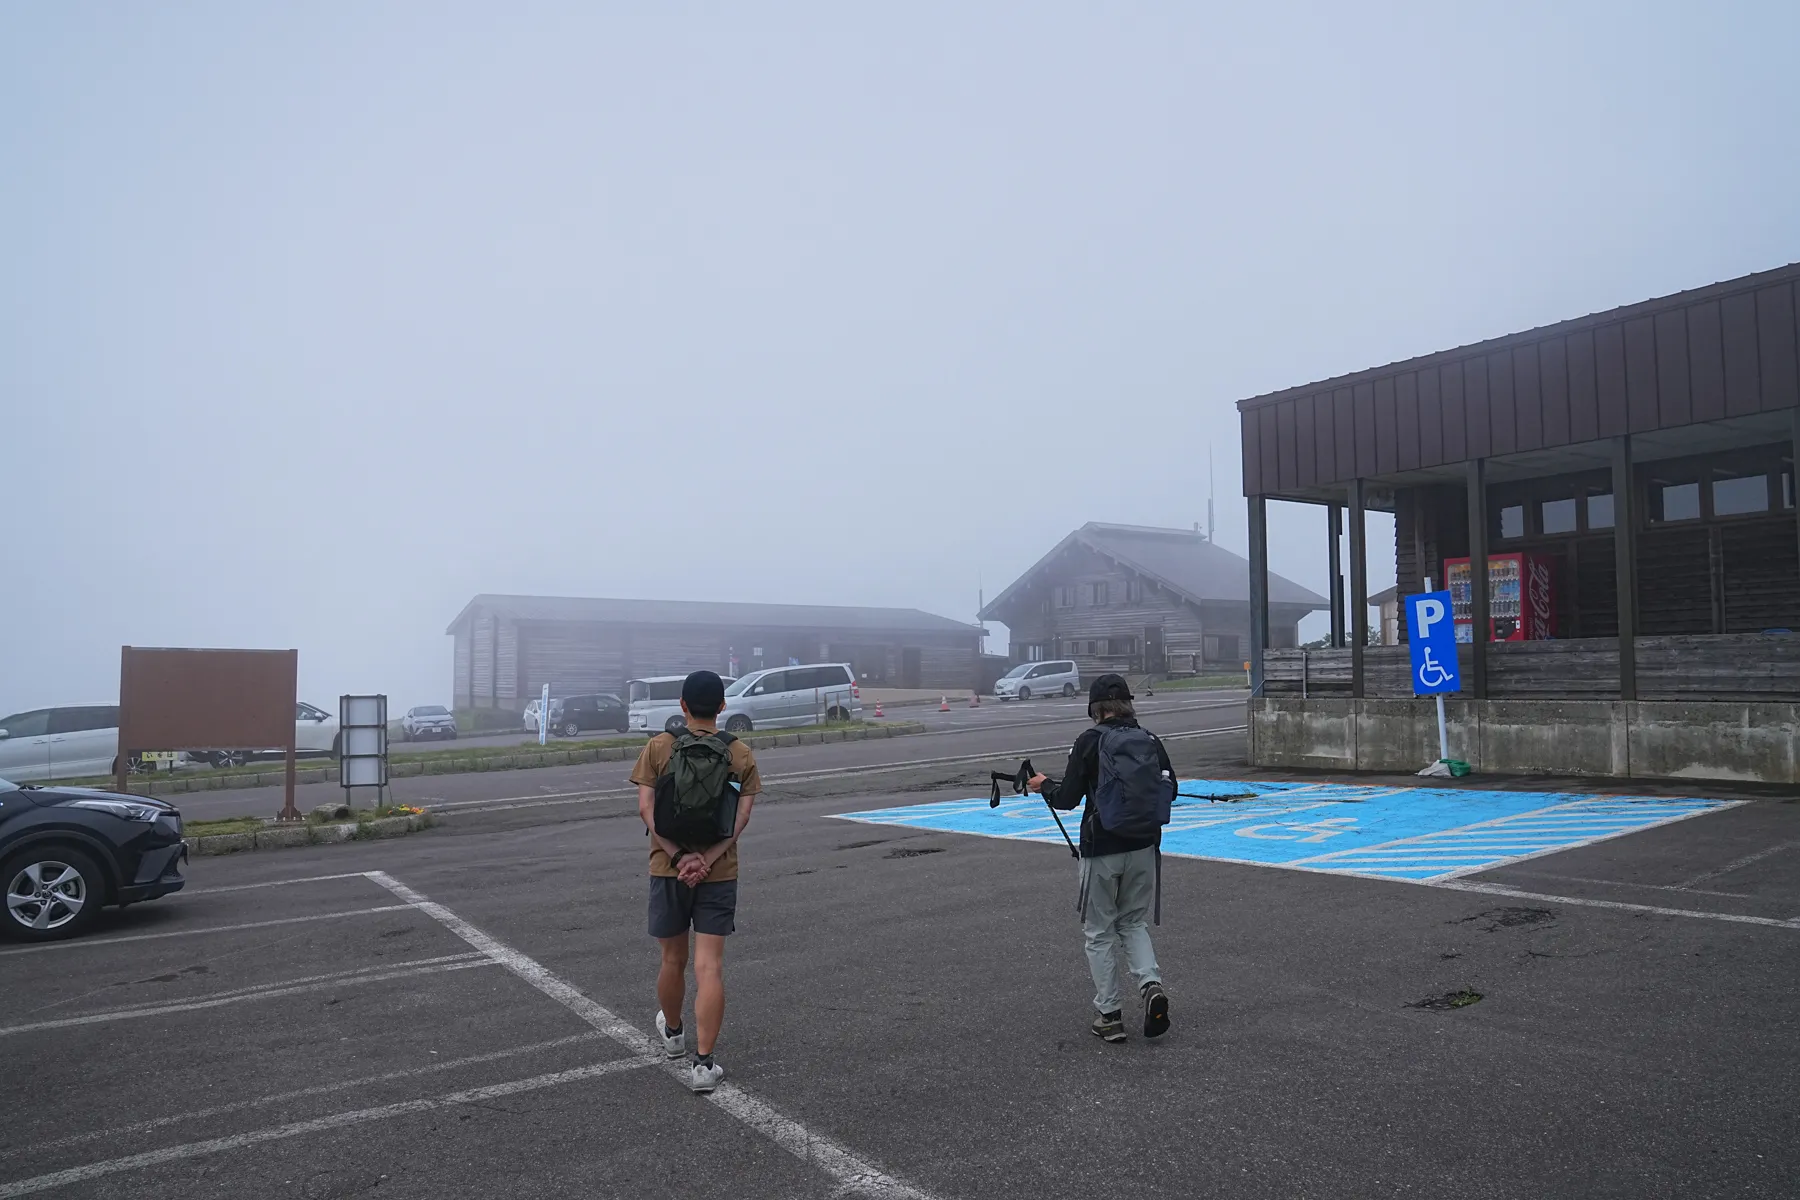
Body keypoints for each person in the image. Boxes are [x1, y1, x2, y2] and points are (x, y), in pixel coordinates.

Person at [631, 670, 761, 1092]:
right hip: (718, 873)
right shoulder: (740, 754)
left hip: (667, 869)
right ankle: (704, 1066)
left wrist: (679, 857)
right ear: (722, 706)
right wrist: (706, 860)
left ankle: (673, 1035)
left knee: (672, 961)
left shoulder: (658, 748)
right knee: (710, 967)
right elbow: (741, 818)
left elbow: (647, 812)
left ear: (682, 707)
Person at [1028, 673, 1173, 1043]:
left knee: (1099, 932)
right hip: (1144, 846)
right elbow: (1170, 790)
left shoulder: (1089, 741)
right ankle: (1150, 985)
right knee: (1134, 923)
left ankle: (1109, 1014)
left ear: (1094, 708)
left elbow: (1067, 798)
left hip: (1101, 849)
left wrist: (1042, 784)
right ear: (1128, 703)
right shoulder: (1150, 740)